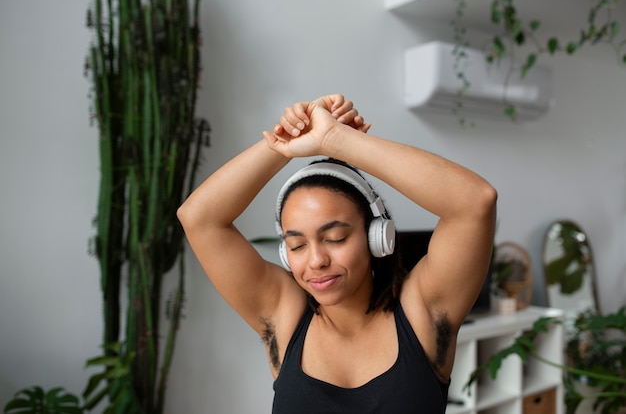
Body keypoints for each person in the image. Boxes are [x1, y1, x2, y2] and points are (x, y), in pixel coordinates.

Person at [177, 94, 497, 413]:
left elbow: (475, 202)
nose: (316, 261)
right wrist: (283, 143)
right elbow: (198, 218)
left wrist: (336, 141)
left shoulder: (422, 312)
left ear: (376, 237)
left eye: (335, 237)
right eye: (298, 245)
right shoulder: (284, 314)